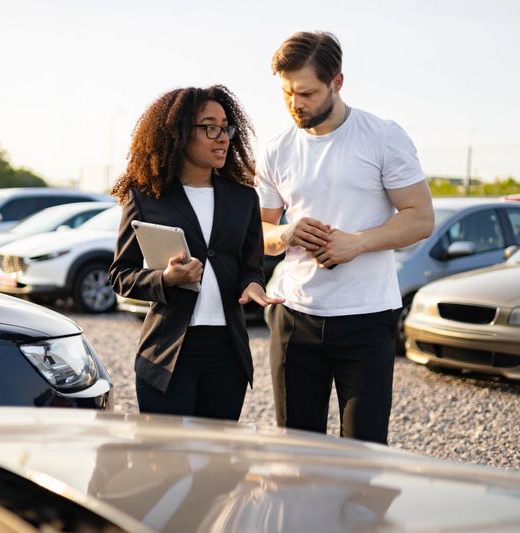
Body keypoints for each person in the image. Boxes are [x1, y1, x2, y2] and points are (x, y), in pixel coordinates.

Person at [257, 31, 434, 444]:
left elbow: (421, 218)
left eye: (306, 92)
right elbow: (258, 233)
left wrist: (356, 243)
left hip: (367, 317)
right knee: (297, 452)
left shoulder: (383, 136)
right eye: (286, 93)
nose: (295, 104)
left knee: (364, 452)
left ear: (337, 82)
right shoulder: (275, 148)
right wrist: (285, 232)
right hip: (293, 315)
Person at [110, 85, 283, 421]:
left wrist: (252, 285)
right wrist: (165, 278)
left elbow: (251, 266)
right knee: (167, 466)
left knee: (216, 466)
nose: (222, 138)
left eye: (226, 127)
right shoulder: (146, 197)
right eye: (210, 127)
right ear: (178, 134)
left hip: (227, 355)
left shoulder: (244, 199)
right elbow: (121, 275)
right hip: (168, 353)